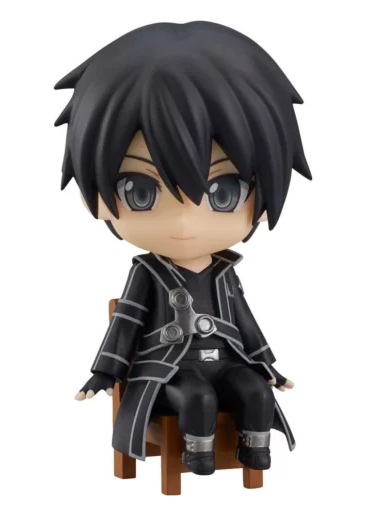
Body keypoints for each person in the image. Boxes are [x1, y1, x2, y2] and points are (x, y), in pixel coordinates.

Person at [55, 21, 311, 475]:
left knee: (255, 391)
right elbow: (127, 320)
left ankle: (255, 449)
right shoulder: (148, 273)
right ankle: (197, 452)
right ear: (96, 198)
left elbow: (244, 321)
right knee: (197, 397)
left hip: (228, 361)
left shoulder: (226, 273)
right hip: (170, 369)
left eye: (224, 192)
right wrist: (105, 372)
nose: (184, 222)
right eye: (139, 191)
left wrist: (267, 365)